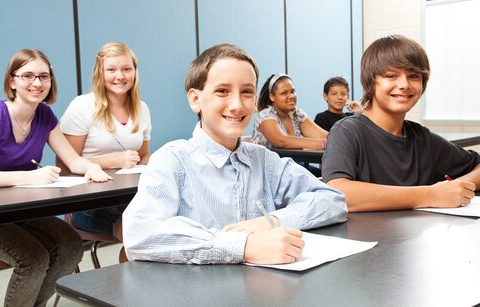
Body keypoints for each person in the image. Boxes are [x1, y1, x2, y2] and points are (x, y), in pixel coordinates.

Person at [122, 44, 347, 265]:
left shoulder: (264, 160)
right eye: (222, 91)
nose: (237, 105)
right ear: (195, 99)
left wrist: (273, 222)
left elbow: (333, 200)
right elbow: (139, 232)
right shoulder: (173, 161)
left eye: (247, 92)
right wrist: (242, 246)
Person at [0, 49, 111, 306]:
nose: (37, 83)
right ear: (12, 81)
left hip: (19, 213)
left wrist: (90, 167)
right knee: (33, 257)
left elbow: (72, 160)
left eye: (44, 76)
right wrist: (29, 178)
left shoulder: (44, 116)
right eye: (28, 75)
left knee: (72, 244)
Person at [322, 35, 480, 212]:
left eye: (413, 76)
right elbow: (338, 193)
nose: (404, 84)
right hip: (368, 238)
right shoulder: (347, 131)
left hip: (415, 238)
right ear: (371, 81)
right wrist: (431, 195)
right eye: (391, 76)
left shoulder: (422, 138)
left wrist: (456, 187)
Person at [59, 42, 151, 239]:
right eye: (111, 69)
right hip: (90, 203)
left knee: (164, 221)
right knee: (138, 232)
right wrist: (113, 161)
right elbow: (65, 166)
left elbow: (144, 155)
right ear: (100, 73)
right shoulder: (82, 106)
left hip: (130, 196)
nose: (120, 76)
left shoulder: (142, 108)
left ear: (135, 72)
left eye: (127, 69)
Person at [251, 74, 328, 149]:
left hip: (292, 161)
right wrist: (324, 143)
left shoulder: (297, 114)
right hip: (265, 162)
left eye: (292, 91)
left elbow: (321, 135)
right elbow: (282, 141)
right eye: (284, 93)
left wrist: (336, 139)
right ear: (272, 96)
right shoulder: (265, 115)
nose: (291, 96)